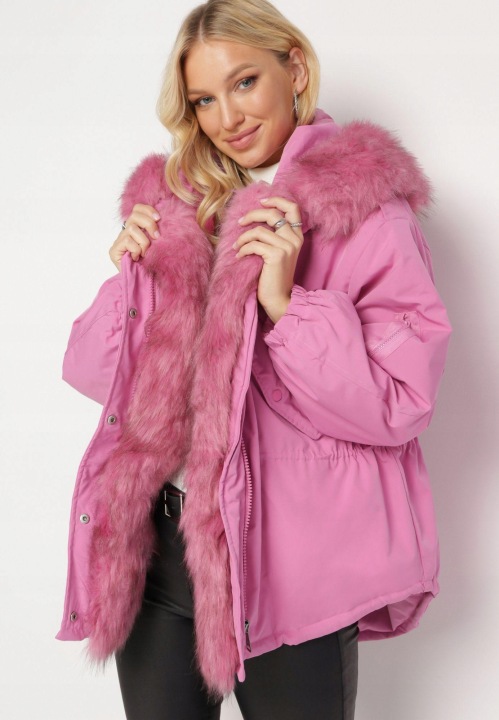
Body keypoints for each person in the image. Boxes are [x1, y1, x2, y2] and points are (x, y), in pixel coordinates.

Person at [56, 0, 452, 718]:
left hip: (288, 565)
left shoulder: (366, 215)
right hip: (157, 554)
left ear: (293, 68)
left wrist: (286, 306)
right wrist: (128, 283)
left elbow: (400, 404)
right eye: (204, 100)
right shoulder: (179, 211)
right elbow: (90, 376)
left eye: (244, 82)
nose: (227, 117)